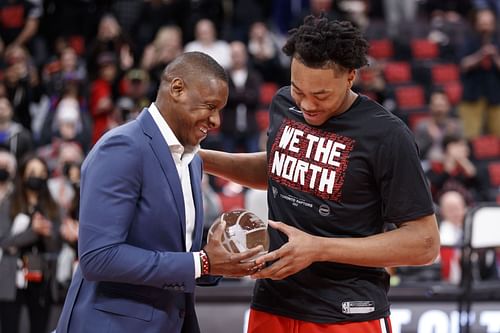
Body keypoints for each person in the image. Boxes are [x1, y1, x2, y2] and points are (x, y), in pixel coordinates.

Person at [200, 15, 440, 332]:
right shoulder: (284, 103)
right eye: (300, 90)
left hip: (348, 312)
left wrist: (319, 248)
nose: (308, 104)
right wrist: (199, 158)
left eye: (322, 95)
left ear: (351, 76)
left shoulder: (387, 135)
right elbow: (279, 167)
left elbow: (424, 243)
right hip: (273, 304)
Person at [55, 51, 263, 333]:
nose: (216, 120)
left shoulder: (190, 160)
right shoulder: (122, 147)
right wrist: (201, 262)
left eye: (220, 110)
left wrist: (218, 264)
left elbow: (175, 254)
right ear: (177, 89)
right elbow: (99, 257)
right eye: (210, 106)